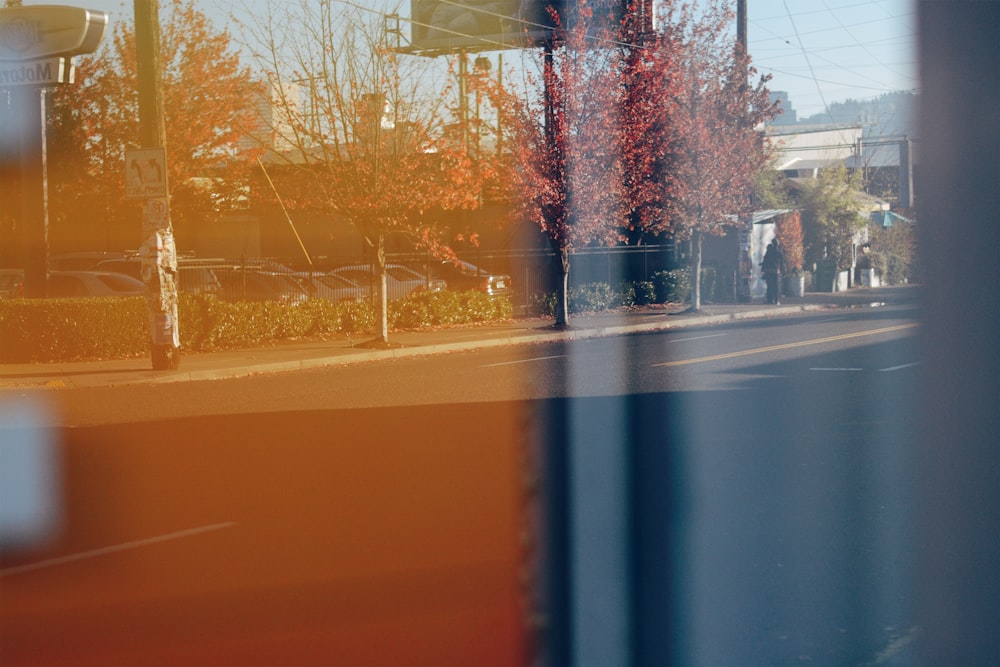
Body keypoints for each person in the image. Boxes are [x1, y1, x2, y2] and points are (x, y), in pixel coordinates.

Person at [761, 239, 783, 305]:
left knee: (769, 286)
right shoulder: (779, 252)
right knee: (776, 287)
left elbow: (765, 260)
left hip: (768, 271)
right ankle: (776, 300)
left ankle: (769, 300)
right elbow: (782, 262)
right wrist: (782, 270)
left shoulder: (769, 251)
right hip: (775, 271)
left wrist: (763, 269)